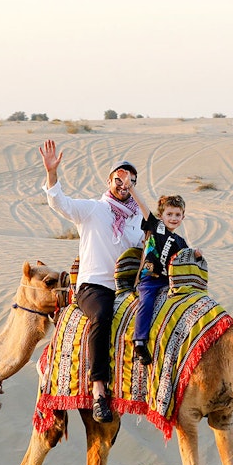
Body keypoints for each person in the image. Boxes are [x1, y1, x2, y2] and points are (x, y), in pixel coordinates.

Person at [40, 139, 143, 423]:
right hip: (94, 287)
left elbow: (156, 235)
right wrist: (51, 172)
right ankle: (99, 389)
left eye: (131, 180)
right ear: (109, 180)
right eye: (120, 178)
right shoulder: (93, 209)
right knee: (102, 316)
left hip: (127, 287)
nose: (125, 183)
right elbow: (59, 202)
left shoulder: (137, 218)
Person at [128, 191, 192, 365]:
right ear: (161, 215)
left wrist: (197, 254)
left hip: (168, 281)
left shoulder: (181, 242)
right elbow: (142, 205)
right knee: (146, 302)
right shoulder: (156, 226)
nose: (173, 218)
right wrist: (132, 189)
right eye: (169, 214)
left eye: (177, 214)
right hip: (149, 279)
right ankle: (139, 341)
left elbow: (186, 259)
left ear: (183, 216)